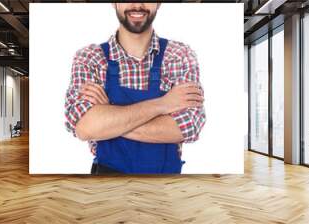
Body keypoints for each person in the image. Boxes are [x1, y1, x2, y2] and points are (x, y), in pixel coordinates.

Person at [64, 3, 206, 174]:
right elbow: (85, 127)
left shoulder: (179, 55)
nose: (137, 5)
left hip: (165, 186)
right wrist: (162, 104)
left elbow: (189, 126)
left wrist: (108, 117)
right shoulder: (90, 58)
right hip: (106, 184)